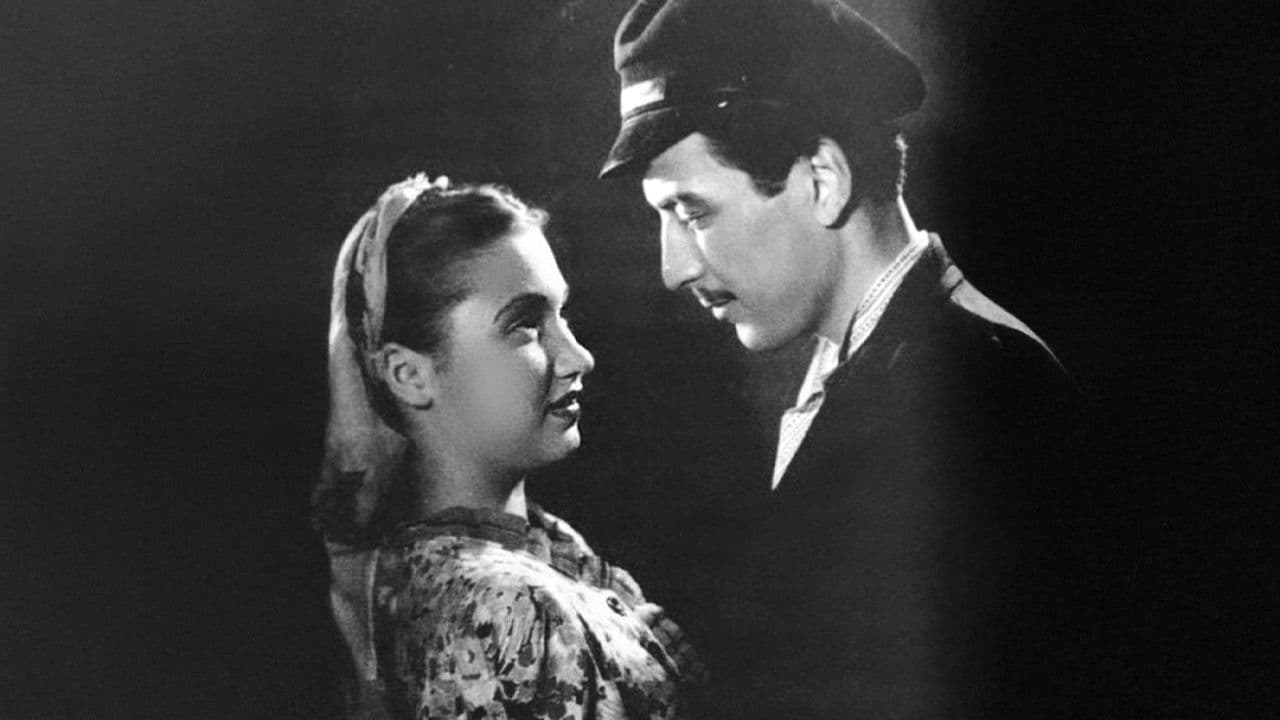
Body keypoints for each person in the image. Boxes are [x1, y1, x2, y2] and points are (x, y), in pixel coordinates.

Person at [598, 0, 1095, 716]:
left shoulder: (979, 392)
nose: (673, 269)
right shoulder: (864, 372)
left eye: (693, 212)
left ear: (823, 180)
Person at [311, 175, 699, 720]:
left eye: (562, 315)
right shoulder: (508, 607)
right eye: (525, 325)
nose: (578, 357)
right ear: (409, 374)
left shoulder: (538, 550)